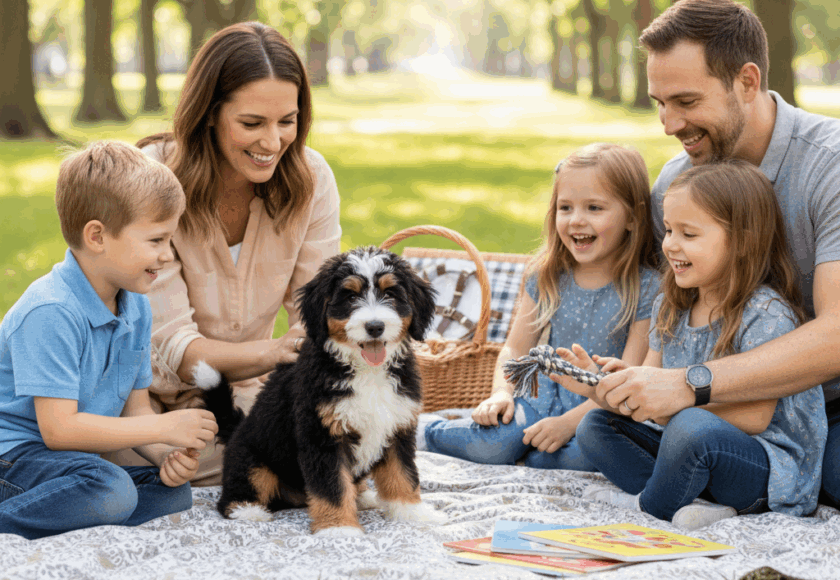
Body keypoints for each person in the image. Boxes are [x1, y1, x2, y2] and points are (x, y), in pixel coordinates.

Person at [583, 0, 840, 507]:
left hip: (826, 403)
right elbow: (672, 309)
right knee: (607, 429)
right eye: (660, 103)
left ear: (746, 81)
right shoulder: (675, 185)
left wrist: (690, 385)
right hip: (714, 411)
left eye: (685, 101)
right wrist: (628, 382)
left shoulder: (829, 166)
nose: (668, 124)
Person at [104, 22, 342, 485]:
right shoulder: (152, 175)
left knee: (315, 442)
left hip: (238, 396)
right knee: (112, 454)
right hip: (133, 400)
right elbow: (175, 349)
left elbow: (316, 314)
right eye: (251, 124)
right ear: (210, 112)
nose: (272, 143)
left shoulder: (312, 180)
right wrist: (276, 351)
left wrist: (304, 344)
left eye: (287, 121)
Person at [573, 161, 826, 531]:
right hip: (687, 450)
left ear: (742, 241)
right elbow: (652, 384)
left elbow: (756, 418)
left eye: (688, 234)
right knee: (595, 426)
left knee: (692, 426)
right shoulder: (670, 305)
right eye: (669, 230)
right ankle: (691, 504)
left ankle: (647, 505)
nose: (670, 244)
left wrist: (672, 410)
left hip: (760, 469)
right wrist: (603, 387)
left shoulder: (765, 313)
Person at [0, 141, 219, 540]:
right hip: (14, 459)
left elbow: (136, 411)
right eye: (156, 240)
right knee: (112, 489)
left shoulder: (136, 307)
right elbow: (59, 431)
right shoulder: (50, 310)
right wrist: (164, 426)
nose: (167, 255)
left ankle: (62, 514)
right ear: (97, 236)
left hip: (68, 464)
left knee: (171, 493)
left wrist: (165, 455)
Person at [417, 143, 660, 470]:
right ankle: (423, 432)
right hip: (540, 397)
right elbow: (515, 349)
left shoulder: (648, 287)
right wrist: (501, 393)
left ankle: (531, 453)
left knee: (587, 455)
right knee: (495, 444)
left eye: (594, 208)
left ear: (632, 216)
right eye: (565, 207)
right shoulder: (548, 274)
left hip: (600, 411)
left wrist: (567, 424)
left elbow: (626, 380)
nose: (576, 220)